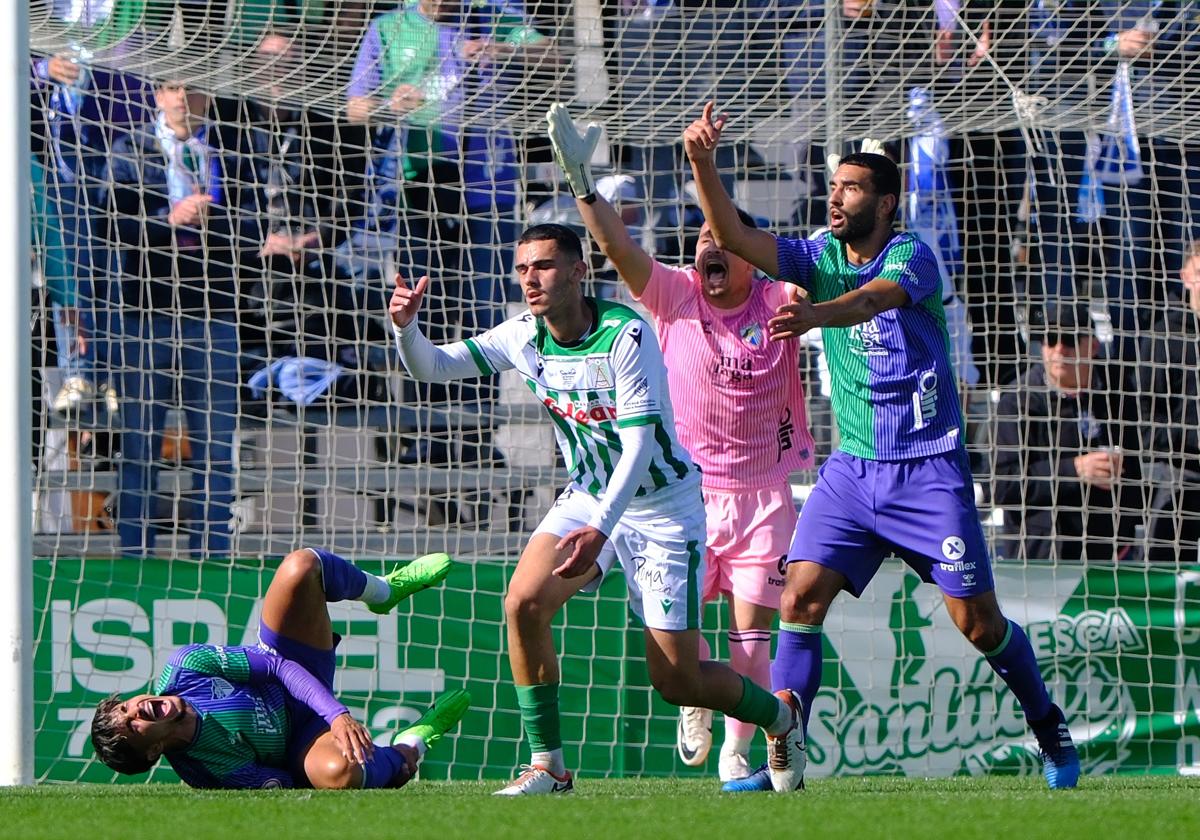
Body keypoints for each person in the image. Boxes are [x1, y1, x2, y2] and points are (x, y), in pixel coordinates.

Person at [684, 101, 1080, 792]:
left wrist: (815, 315)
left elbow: (871, 302)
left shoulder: (913, 255)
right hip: (852, 471)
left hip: (928, 473)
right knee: (798, 602)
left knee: (979, 626)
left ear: (887, 201)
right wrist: (701, 162)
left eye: (854, 188)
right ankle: (789, 751)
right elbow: (734, 237)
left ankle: (1048, 724)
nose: (838, 196)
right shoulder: (817, 254)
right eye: (835, 186)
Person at [387, 222, 805, 795]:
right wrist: (405, 329)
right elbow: (432, 367)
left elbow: (638, 448)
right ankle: (550, 766)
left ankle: (782, 719)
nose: (531, 278)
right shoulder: (523, 335)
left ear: (580, 271)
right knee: (523, 602)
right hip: (589, 494)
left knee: (678, 681)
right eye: (523, 267)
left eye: (545, 265)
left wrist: (598, 530)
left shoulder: (626, 334)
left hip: (660, 506)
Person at [545, 104, 816, 787]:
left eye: (722, 240)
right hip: (685, 498)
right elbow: (614, 249)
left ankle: (738, 750)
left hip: (763, 501)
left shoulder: (780, 299)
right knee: (681, 644)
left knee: (754, 644)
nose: (707, 248)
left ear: (750, 258)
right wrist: (582, 182)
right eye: (698, 237)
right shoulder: (673, 296)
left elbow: (826, 272)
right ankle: (694, 697)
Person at [90, 549, 465, 789]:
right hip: (301, 739)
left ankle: (383, 591)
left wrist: (337, 716)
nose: (136, 709)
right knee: (339, 774)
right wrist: (328, 764)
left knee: (300, 566)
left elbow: (276, 665)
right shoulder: (205, 770)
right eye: (132, 725)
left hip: (292, 667)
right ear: (153, 750)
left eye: (126, 706)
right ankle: (411, 744)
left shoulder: (185, 667)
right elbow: (285, 784)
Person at [102, 77, 252, 557]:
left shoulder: (233, 149)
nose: (185, 97)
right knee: (140, 444)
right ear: (157, 95)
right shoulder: (132, 148)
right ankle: (135, 554)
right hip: (146, 314)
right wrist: (169, 217)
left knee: (215, 447)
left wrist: (218, 220)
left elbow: (256, 224)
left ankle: (210, 553)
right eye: (173, 87)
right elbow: (112, 220)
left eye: (196, 88)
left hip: (216, 313)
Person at [994, 301, 1144, 563]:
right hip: (1041, 559)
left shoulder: (1117, 393)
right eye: (1051, 339)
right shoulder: (1018, 401)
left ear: (1094, 346)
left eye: (1070, 339)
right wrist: (1074, 470)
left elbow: (1137, 472)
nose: (1060, 348)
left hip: (1109, 556)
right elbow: (1002, 485)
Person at [1140, 243, 1200, 564]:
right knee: (1165, 561)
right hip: (1180, 473)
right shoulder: (1163, 340)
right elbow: (1148, 423)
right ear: (1185, 277)